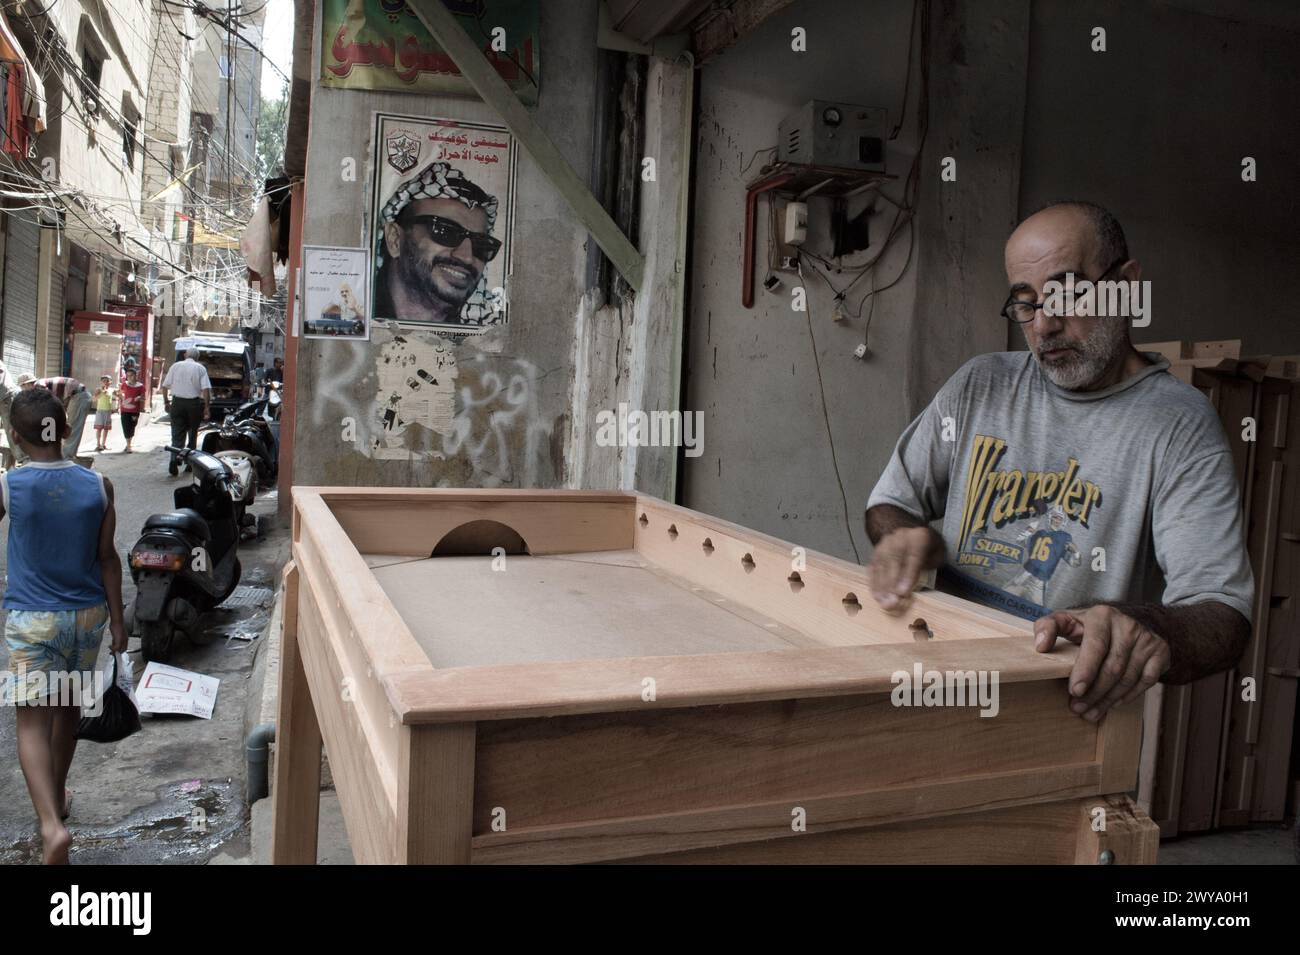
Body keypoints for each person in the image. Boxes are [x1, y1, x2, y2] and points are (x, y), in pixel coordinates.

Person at [864, 200, 1253, 726]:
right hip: (945, 684)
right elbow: (892, 502)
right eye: (1025, 303)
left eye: (1067, 292)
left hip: (1061, 715)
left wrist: (1144, 627)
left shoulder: (1179, 425)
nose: (1044, 324)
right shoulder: (980, 385)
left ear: (1129, 284)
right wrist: (907, 537)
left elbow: (1223, 616)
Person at [0, 388, 127, 864]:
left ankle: (51, 826)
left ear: (15, 436)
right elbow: (108, 559)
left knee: (32, 721)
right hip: (87, 617)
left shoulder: (10, 486)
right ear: (67, 430)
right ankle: (56, 797)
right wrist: (118, 622)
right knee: (67, 709)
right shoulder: (100, 486)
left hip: (34, 620)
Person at [373, 160, 503, 326]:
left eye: (481, 244)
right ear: (395, 240)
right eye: (445, 231)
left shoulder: (482, 339)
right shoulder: (357, 315)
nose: (466, 257)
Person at [160, 348, 211, 476]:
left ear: (185, 355)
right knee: (192, 434)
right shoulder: (200, 369)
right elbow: (205, 390)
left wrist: (166, 402)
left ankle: (173, 459)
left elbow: (164, 386)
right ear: (197, 357)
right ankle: (189, 463)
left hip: (177, 403)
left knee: (176, 433)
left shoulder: (175, 366)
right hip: (193, 404)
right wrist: (206, 407)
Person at [22, 374, 92, 462]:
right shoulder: (44, 384)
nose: (23, 391)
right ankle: (64, 456)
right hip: (77, 396)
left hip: (79, 396)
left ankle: (66, 459)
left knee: (73, 428)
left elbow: (47, 403)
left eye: (22, 387)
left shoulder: (38, 386)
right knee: (68, 427)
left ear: (26, 384)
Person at [117, 366, 145, 453]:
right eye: (128, 375)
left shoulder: (140, 386)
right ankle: (129, 445)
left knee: (132, 426)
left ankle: (128, 443)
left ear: (136, 376)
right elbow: (120, 394)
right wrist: (119, 396)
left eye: (131, 375)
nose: (129, 377)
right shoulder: (124, 384)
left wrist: (139, 397)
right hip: (124, 409)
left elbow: (143, 397)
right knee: (125, 427)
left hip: (135, 411)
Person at [91, 376, 116, 452]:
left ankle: (103, 444)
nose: (105, 382)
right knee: (99, 428)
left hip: (108, 411)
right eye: (104, 381)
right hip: (100, 411)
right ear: (101, 382)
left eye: (107, 381)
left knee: (106, 429)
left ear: (110, 382)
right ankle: (98, 444)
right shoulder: (98, 389)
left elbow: (119, 396)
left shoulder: (112, 390)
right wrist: (102, 394)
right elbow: (94, 399)